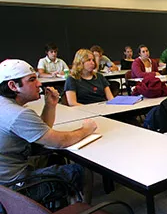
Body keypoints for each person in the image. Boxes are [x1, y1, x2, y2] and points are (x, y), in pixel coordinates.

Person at [0, 59, 97, 205]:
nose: (39, 84)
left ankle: (59, 210)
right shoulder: (18, 114)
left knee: (54, 159)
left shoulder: (5, 105)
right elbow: (60, 142)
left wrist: (50, 106)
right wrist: (86, 129)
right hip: (14, 188)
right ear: (13, 86)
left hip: (4, 180)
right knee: (82, 172)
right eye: (32, 80)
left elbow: (41, 133)